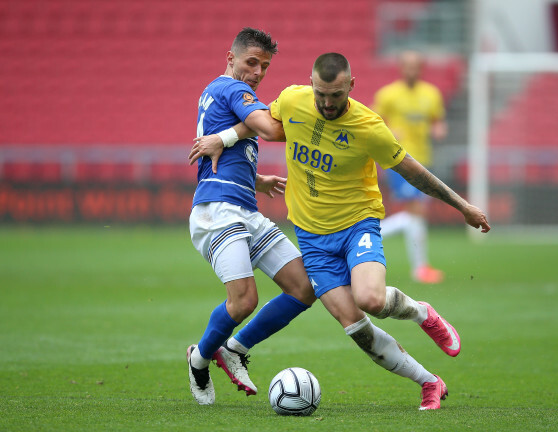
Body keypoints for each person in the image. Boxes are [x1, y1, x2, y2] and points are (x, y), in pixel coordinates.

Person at [190, 53, 490, 410]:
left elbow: (413, 171)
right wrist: (223, 139)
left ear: (351, 86)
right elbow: (263, 125)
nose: (327, 103)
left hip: (356, 225)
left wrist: (463, 206)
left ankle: (421, 313)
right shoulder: (293, 99)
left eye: (335, 95)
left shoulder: (369, 126)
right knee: (356, 327)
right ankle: (429, 382)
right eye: (321, 94)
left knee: (371, 300)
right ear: (311, 85)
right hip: (313, 240)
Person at [186, 27, 316, 406]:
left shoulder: (216, 92)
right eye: (251, 63)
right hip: (219, 210)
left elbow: (219, 145)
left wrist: (254, 178)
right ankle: (198, 359)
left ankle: (236, 348)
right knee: (244, 301)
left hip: (244, 206)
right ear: (231, 57)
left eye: (264, 66)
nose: (257, 72)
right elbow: (274, 129)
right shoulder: (233, 90)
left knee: (304, 287)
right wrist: (312, 103)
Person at [372, 51, 448, 284]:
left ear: (421, 68)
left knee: (416, 214)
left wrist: (438, 129)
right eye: (408, 66)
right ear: (401, 67)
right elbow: (371, 121)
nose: (412, 71)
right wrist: (389, 131)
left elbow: (437, 121)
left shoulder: (431, 94)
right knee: (416, 212)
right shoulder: (388, 94)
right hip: (398, 159)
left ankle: (419, 266)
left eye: (416, 66)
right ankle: (419, 268)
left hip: (423, 159)